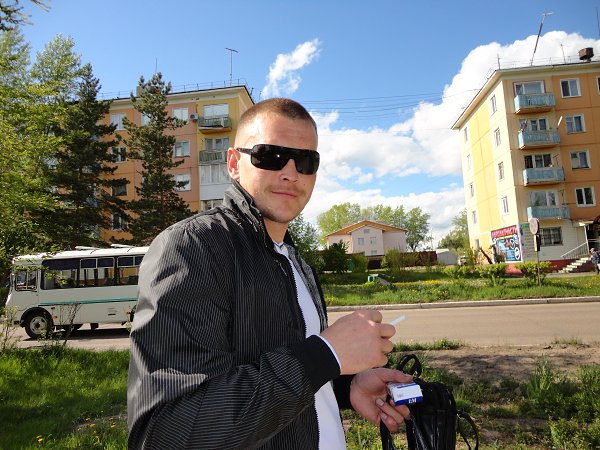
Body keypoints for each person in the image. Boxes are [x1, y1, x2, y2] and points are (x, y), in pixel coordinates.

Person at [127, 98, 413, 449]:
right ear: (234, 164)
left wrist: (344, 385)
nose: (291, 173)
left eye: (305, 161)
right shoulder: (193, 248)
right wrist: (325, 355)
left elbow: (292, 373)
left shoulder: (295, 261)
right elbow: (171, 430)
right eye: (270, 156)